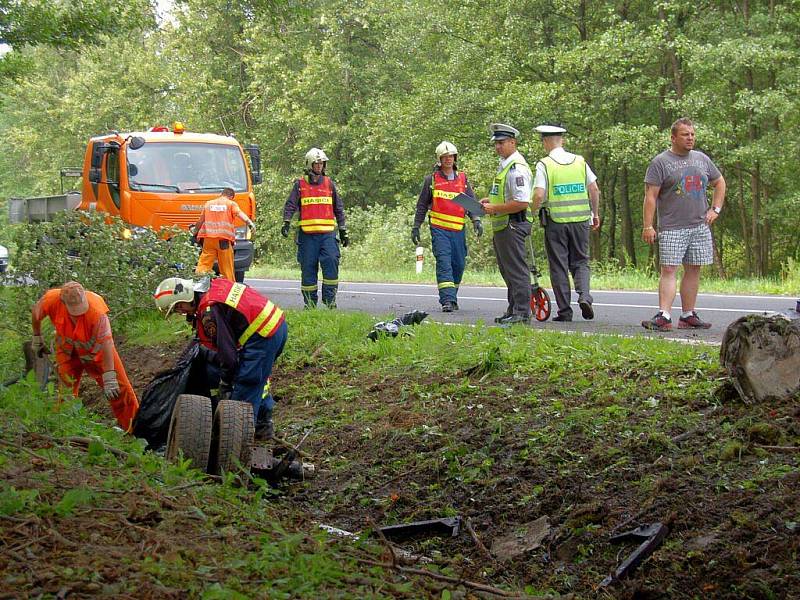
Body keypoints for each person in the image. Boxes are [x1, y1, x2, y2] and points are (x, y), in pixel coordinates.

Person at [153, 277, 287, 440]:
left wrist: (226, 381)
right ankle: (262, 425)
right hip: (275, 327)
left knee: (245, 385)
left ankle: (237, 442)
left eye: (179, 307)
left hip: (262, 337)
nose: (181, 312)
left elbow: (227, 354)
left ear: (185, 298)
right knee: (258, 381)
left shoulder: (209, 311)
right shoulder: (213, 286)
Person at [641, 117, 726, 331]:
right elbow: (650, 196)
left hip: (699, 225)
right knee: (669, 268)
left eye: (692, 134)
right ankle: (664, 315)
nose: (690, 138)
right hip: (672, 226)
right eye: (685, 134)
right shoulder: (660, 162)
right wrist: (648, 225)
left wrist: (715, 209)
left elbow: (719, 182)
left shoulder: (702, 159)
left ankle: (688, 315)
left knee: (694, 269)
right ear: (673, 137)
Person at [31, 282, 139, 432]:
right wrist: (37, 337)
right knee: (66, 393)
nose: (78, 314)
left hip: (98, 352)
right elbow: (36, 313)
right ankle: (65, 432)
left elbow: (107, 344)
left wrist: (109, 376)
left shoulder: (97, 312)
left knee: (120, 390)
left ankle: (135, 429)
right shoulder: (51, 300)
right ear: (63, 302)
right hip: (67, 352)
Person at [532, 124, 601, 322]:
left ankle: (565, 311)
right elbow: (594, 189)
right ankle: (585, 296)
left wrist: (532, 212)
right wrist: (594, 214)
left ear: (545, 141)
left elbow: (538, 193)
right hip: (580, 220)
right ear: (562, 140)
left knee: (559, 265)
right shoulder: (579, 161)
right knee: (581, 261)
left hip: (556, 222)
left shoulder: (544, 164)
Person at [412, 141, 483, 312]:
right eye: (445, 157)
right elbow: (422, 205)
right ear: (439, 159)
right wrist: (416, 226)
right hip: (439, 230)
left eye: (451, 156)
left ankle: (453, 294)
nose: (448, 159)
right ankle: (447, 300)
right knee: (444, 262)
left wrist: (476, 221)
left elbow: (470, 204)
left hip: (458, 230)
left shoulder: (462, 179)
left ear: (455, 158)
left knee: (458, 263)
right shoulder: (432, 180)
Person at [479, 123, 534, 325]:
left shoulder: (516, 169)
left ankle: (522, 312)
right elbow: (505, 195)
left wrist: (495, 209)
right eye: (496, 143)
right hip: (504, 226)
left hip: (513, 225)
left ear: (513, 142)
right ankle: (513, 309)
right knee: (507, 270)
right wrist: (489, 201)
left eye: (502, 143)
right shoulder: (505, 165)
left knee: (517, 270)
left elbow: (521, 202)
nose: (498, 147)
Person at [281, 148, 349, 308]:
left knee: (331, 262)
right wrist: (286, 221)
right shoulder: (300, 185)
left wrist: (343, 230)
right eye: (316, 164)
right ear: (309, 164)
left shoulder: (329, 184)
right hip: (307, 236)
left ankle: (330, 301)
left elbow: (338, 208)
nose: (319, 166)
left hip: (328, 235)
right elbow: (290, 204)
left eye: (321, 164)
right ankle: (310, 303)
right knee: (308, 268)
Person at [193, 187, 255, 282]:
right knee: (226, 267)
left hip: (208, 239)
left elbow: (200, 221)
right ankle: (228, 286)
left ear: (222, 194)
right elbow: (240, 214)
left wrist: (195, 232)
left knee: (204, 264)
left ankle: (198, 282)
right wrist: (250, 223)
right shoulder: (230, 204)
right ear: (231, 196)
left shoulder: (209, 204)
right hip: (223, 241)